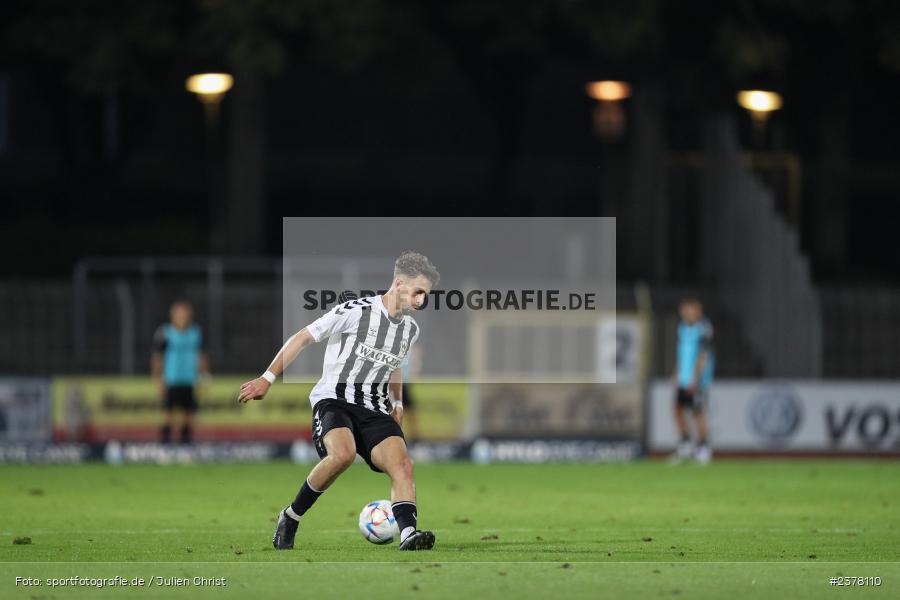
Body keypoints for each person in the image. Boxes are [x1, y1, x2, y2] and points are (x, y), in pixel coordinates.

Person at [238, 251, 440, 551]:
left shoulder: (410, 330)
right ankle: (291, 516)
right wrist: (267, 378)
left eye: (426, 295)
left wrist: (397, 403)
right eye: (418, 292)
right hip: (335, 400)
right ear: (399, 283)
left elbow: (395, 364)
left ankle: (408, 534)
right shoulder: (356, 311)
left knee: (403, 465)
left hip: (374, 408)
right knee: (343, 455)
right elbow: (302, 337)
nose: (421, 300)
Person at [151, 300, 210, 444]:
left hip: (189, 380)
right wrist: (158, 379)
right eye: (179, 314)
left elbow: (201, 356)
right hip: (171, 380)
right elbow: (157, 358)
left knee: (189, 414)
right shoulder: (165, 333)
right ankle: (164, 444)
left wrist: (204, 375)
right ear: (173, 316)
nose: (182, 317)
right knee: (168, 414)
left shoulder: (195, 333)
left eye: (185, 314)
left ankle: (186, 443)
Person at [671, 298, 715, 464]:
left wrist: (695, 378)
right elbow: (682, 354)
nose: (686, 313)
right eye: (684, 310)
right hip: (684, 378)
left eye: (689, 310)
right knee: (677, 410)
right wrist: (677, 373)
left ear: (697, 311)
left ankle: (704, 448)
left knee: (698, 412)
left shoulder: (704, 329)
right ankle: (685, 445)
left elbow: (703, 355)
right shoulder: (682, 328)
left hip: (698, 380)